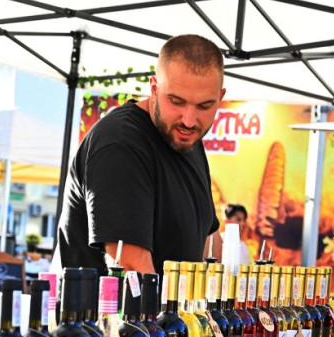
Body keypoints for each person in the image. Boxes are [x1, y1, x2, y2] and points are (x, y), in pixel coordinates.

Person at [53, 34, 225, 275]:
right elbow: (130, 266)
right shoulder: (121, 143)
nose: (189, 119)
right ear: (154, 88)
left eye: (204, 106)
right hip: (108, 313)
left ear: (220, 98)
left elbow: (208, 238)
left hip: (174, 311)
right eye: (176, 101)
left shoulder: (188, 139)